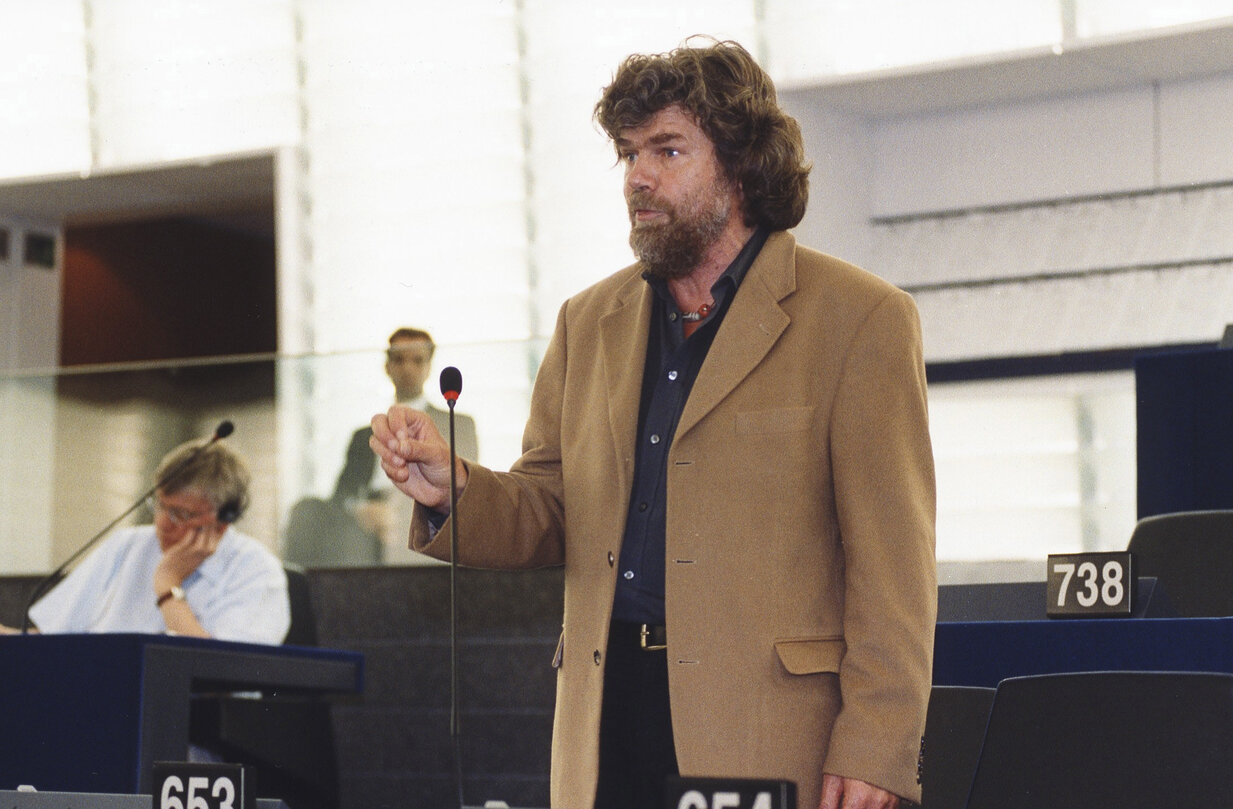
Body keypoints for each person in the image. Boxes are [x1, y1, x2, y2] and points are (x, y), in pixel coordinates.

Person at [371, 39, 936, 809]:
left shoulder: (859, 318)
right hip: (605, 716)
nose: (638, 176)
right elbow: (549, 506)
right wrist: (452, 489)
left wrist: (876, 743)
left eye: (667, 150)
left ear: (739, 167)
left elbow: (893, 566)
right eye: (630, 153)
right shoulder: (585, 322)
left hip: (767, 723)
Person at [2, 437, 290, 644]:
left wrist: (168, 585)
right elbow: (52, 640)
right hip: (100, 697)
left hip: (194, 718)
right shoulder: (128, 545)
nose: (164, 523)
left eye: (182, 514)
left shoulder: (256, 571)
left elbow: (220, 671)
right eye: (161, 505)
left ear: (224, 518)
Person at [334, 327, 478, 564]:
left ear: (429, 367)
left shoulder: (457, 425)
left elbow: (465, 492)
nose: (408, 368)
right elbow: (342, 496)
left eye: (417, 360)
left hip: (425, 534)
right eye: (399, 360)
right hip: (367, 539)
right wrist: (361, 509)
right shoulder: (363, 436)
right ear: (387, 367)